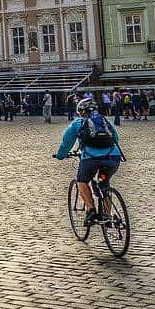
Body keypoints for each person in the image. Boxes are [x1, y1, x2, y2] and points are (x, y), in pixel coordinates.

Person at [54, 97, 123, 227]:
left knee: (82, 180)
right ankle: (107, 216)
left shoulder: (78, 123)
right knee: (104, 182)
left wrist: (60, 155)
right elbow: (116, 138)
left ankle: (91, 210)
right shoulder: (103, 121)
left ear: (80, 111)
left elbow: (66, 143)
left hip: (91, 160)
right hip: (112, 159)